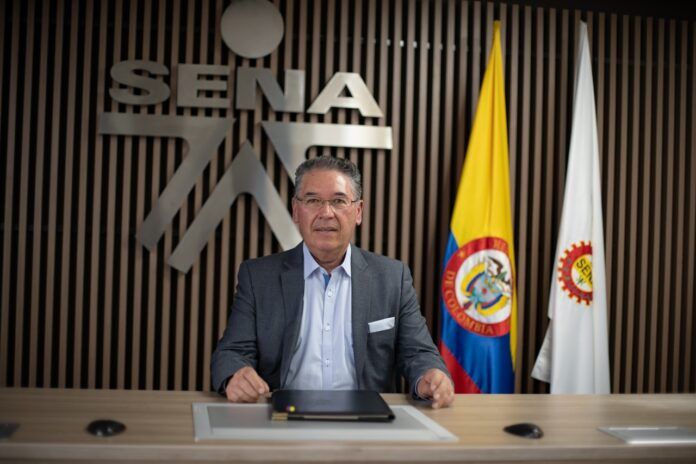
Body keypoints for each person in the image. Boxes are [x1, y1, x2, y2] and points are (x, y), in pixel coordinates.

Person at [211, 155, 454, 408]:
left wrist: (429, 377)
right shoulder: (259, 277)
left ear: (358, 211)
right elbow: (231, 353)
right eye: (313, 200)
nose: (326, 213)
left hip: (367, 423)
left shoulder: (392, 278)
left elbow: (419, 353)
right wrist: (234, 375)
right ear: (296, 210)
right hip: (283, 419)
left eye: (338, 201)